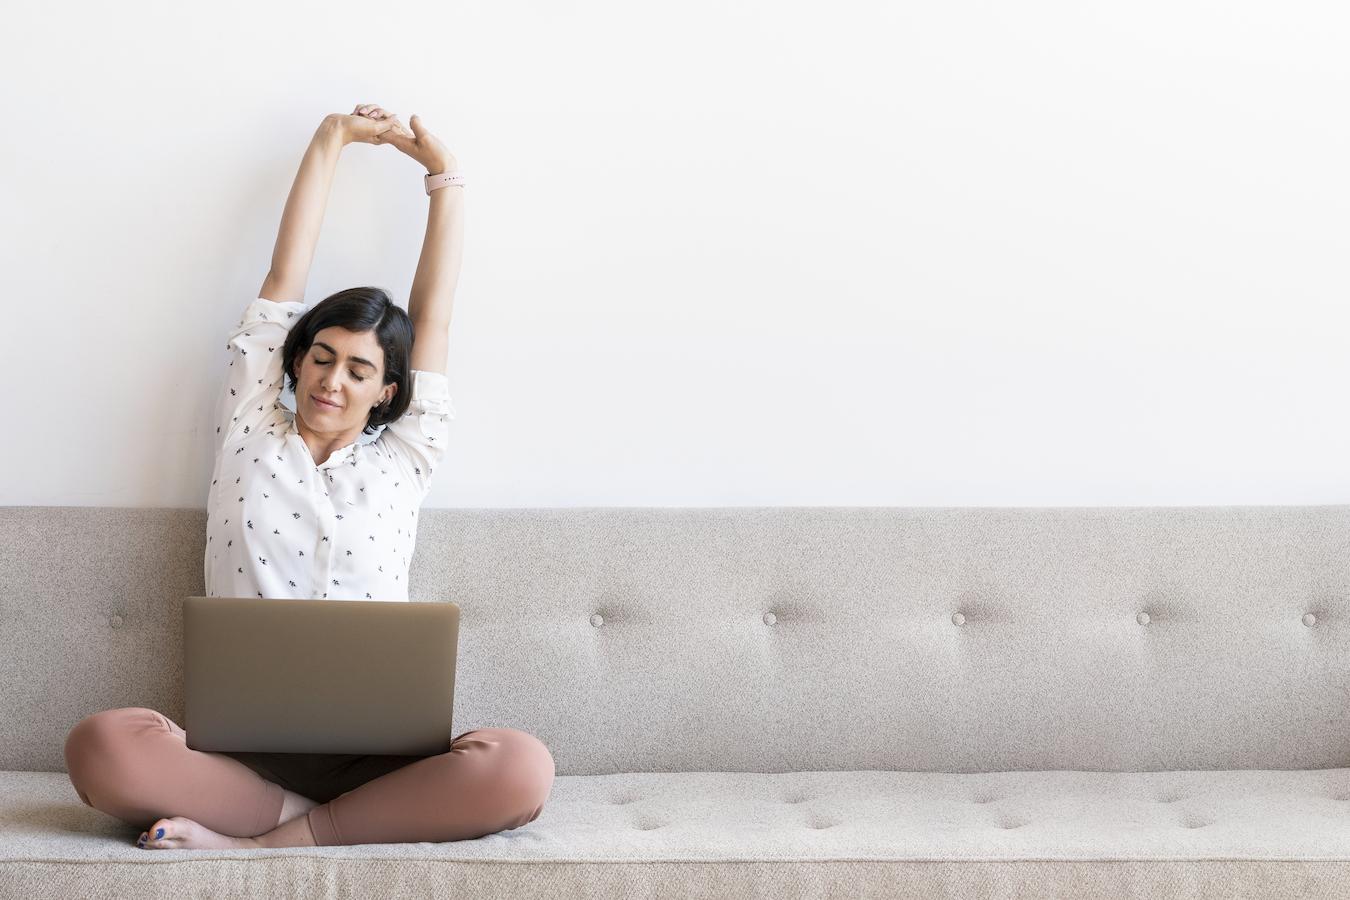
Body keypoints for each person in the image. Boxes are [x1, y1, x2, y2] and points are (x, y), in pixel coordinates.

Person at [63, 103, 555, 850]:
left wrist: (444, 181)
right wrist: (331, 138)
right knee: (103, 745)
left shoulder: (406, 456)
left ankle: (259, 844)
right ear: (294, 361)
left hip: (379, 760)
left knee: (521, 768)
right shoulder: (251, 425)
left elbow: (436, 320)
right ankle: (313, 828)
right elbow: (283, 274)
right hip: (237, 757)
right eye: (321, 357)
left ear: (388, 390)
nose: (332, 380)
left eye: (359, 370)